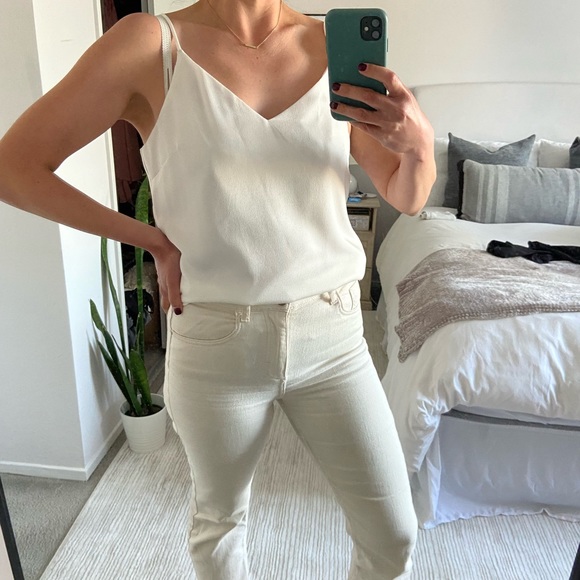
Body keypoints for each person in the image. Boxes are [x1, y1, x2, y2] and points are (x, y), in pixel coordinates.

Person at [0, 2, 435, 578]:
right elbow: (13, 167)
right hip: (216, 343)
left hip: (333, 336)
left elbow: (406, 194)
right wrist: (152, 241)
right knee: (221, 525)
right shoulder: (151, 45)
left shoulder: (331, 47)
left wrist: (420, 143)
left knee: (393, 535)